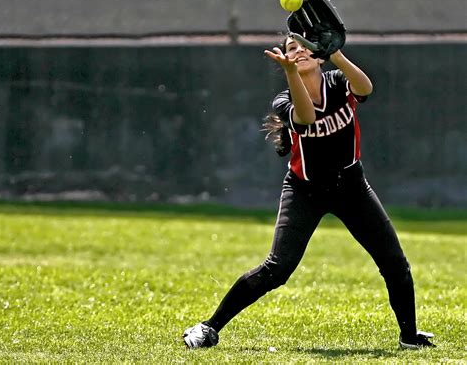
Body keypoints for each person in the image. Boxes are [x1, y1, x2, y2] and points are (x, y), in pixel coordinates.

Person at [182, 35, 435, 350]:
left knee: (395, 263)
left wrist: (337, 53)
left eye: (304, 45)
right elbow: (307, 117)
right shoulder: (283, 99)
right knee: (277, 268)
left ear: (319, 56)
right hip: (305, 191)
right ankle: (209, 327)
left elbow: (366, 88)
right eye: (291, 47)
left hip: (352, 187)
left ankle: (409, 337)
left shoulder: (339, 81)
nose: (297, 50)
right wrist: (291, 72)